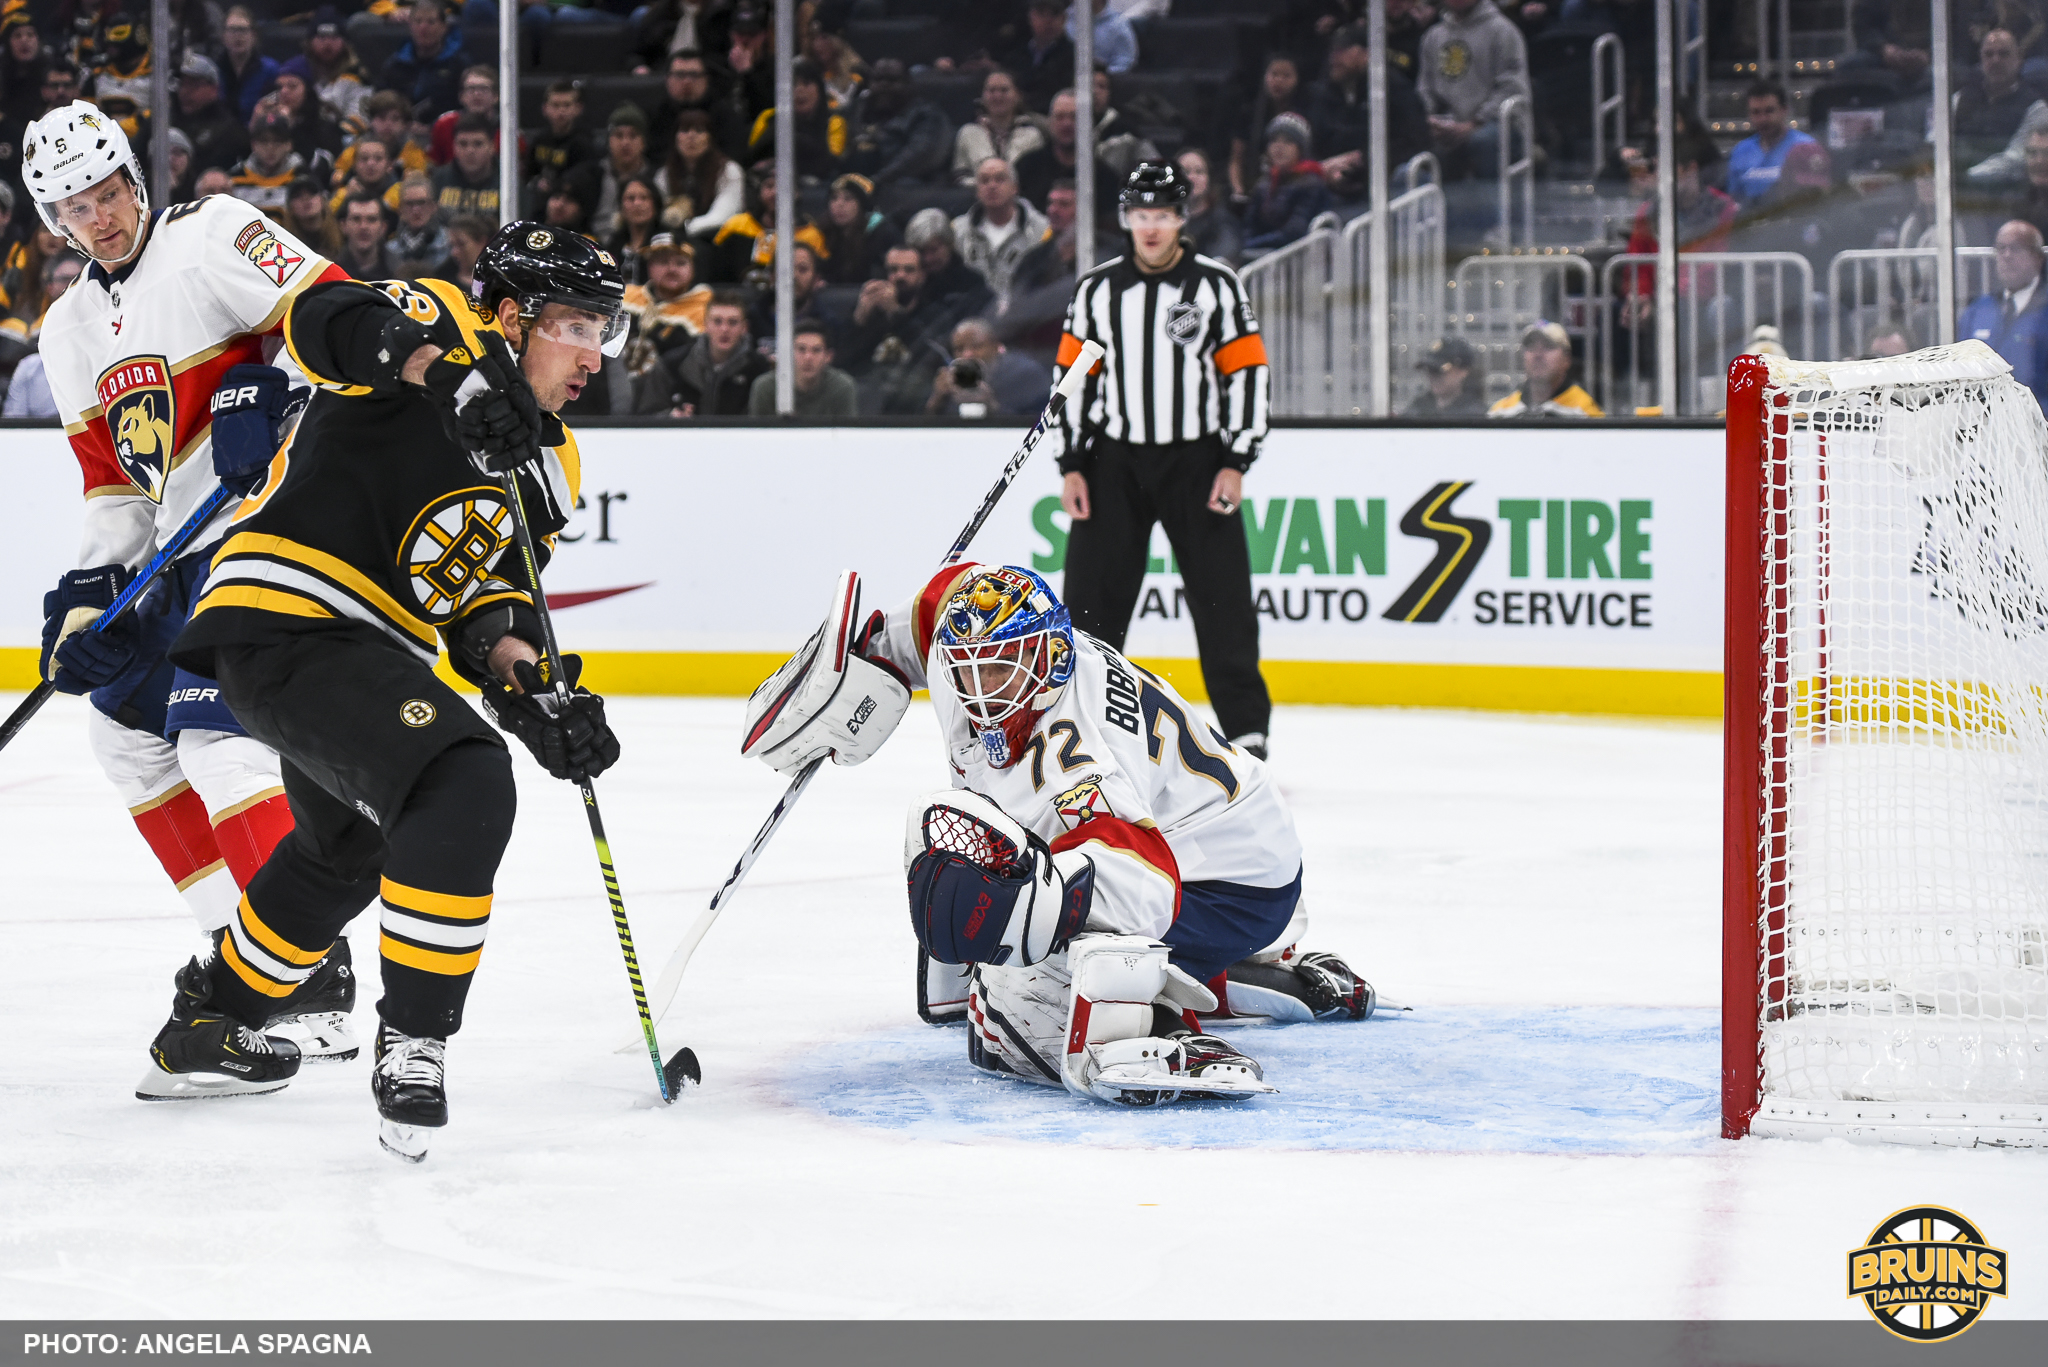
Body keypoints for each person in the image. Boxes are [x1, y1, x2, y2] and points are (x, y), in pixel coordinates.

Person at [156, 222, 622, 1158]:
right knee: (462, 779)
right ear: (510, 313)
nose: (593, 356)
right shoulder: (437, 317)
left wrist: (536, 694)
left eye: (606, 332)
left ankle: (211, 1017)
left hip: (360, 660)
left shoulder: (551, 467)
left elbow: (483, 610)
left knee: (349, 846)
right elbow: (321, 318)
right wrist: (445, 375)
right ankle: (413, 1042)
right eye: (577, 325)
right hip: (287, 614)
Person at [738, 563, 1374, 1105]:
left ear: (1049, 660)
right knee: (960, 979)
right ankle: (1200, 970)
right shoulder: (975, 627)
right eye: (963, 669)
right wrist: (861, 663)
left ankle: (1195, 1003)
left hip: (1231, 880)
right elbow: (939, 605)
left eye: (998, 671)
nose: (976, 691)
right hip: (1202, 827)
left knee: (1018, 1016)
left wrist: (1032, 906)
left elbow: (1144, 887)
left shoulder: (1068, 756)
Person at [24, 101, 358, 1086]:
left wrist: (272, 383)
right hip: (182, 555)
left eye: (110, 189)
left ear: (136, 177)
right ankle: (243, 951)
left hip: (280, 526)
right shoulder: (68, 328)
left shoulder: (210, 236)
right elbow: (115, 489)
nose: (102, 214)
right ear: (57, 225)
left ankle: (313, 969)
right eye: (77, 206)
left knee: (219, 737)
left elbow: (336, 308)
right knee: (122, 734)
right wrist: (86, 601)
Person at [1053, 163, 1274, 757]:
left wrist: (1236, 458)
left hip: (1197, 462)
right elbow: (1073, 380)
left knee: (1222, 597)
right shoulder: (1097, 291)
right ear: (1127, 219)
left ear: (1183, 218)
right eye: (1141, 215)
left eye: (1163, 215)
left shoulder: (1217, 287)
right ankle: (1083, 728)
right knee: (1090, 605)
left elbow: (1247, 374)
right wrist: (1071, 462)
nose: (1151, 228)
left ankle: (1248, 732)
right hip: (1113, 464)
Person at [1307, 22, 1430, 197]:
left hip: (1383, 181)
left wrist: (1360, 158)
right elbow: (1318, 140)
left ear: (1367, 53)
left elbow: (1415, 141)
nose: (1335, 57)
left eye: (1343, 50)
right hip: (1335, 183)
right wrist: (1325, 168)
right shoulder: (1326, 92)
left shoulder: (1393, 89)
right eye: (1333, 50)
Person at [1416, 0, 1529, 181]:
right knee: (1413, 142)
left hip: (1497, 124)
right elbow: (1425, 89)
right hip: (1449, 124)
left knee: (1482, 142)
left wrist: (1474, 124)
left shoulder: (1503, 31)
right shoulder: (1432, 36)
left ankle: (1494, 205)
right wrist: (1430, 119)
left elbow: (1511, 88)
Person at [1959, 218, 2048, 410]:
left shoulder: (2044, 311)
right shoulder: (1977, 311)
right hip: (1984, 427)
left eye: (2016, 248)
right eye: (2001, 248)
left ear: (2038, 258)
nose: (2007, 256)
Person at [1014, 88, 1123, 229]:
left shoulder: (1106, 178)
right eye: (1060, 117)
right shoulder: (1027, 168)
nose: (1066, 124)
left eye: (1074, 117)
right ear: (1049, 122)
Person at [953, 156, 1051, 311]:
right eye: (985, 181)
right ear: (977, 190)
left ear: (1015, 187)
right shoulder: (957, 231)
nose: (992, 186)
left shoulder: (1043, 231)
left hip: (1023, 316)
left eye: (1000, 179)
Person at [708, 162, 827, 285]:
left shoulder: (810, 235)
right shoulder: (738, 225)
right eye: (769, 186)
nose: (775, 192)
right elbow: (716, 274)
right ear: (759, 192)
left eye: (783, 186)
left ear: (797, 193)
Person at [842, 58, 951, 186]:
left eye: (892, 80)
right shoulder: (857, 110)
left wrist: (874, 182)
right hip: (857, 183)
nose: (884, 85)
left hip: (905, 183)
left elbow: (920, 157)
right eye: (878, 80)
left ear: (908, 84)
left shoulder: (927, 114)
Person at [665, 288, 769, 415]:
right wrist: (669, 418)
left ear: (744, 328)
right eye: (717, 321)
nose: (724, 329)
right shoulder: (674, 364)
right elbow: (648, 413)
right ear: (705, 325)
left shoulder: (760, 369)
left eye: (733, 322)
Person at [1726, 80, 1823, 212]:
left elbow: (1817, 199)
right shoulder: (1741, 151)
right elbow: (1734, 201)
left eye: (1769, 111)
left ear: (1784, 110)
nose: (1762, 119)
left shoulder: (1806, 148)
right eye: (1756, 112)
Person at [746, 57, 845, 184]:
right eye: (793, 84)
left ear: (819, 88)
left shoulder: (834, 122)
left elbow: (832, 166)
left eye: (806, 83)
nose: (799, 90)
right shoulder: (769, 117)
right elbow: (751, 157)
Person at [1244, 113, 1332, 255]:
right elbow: (1249, 226)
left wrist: (1251, 246)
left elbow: (1294, 232)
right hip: (1262, 257)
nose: (1279, 147)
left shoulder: (1311, 185)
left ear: (1300, 148)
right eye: (1274, 141)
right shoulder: (1262, 185)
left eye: (1288, 141)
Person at [566, 103, 653, 241]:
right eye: (619, 135)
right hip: (594, 245)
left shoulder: (654, 178)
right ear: (608, 140)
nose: (625, 143)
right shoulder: (590, 176)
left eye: (633, 135)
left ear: (644, 141)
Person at [932, 316, 1050, 416]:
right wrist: (937, 398)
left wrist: (992, 407)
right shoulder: (950, 377)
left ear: (995, 346)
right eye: (959, 349)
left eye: (976, 346)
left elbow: (1041, 423)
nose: (967, 355)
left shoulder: (1025, 374)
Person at [1231, 55, 1309, 203]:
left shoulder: (1306, 113)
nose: (1278, 80)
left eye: (1286, 76)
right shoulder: (1249, 113)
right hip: (1254, 185)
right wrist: (1238, 190)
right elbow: (1236, 159)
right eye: (1274, 74)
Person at [649, 49, 747, 164]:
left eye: (694, 75)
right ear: (668, 80)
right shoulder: (657, 115)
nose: (687, 81)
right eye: (680, 75)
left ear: (706, 80)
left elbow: (734, 154)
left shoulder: (725, 116)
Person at [655, 109, 742, 238]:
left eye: (699, 131)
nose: (691, 136)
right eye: (685, 130)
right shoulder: (664, 174)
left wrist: (687, 227)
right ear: (676, 138)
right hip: (673, 241)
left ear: (710, 138)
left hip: (716, 239)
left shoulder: (729, 170)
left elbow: (724, 214)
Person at [1488, 320, 1602, 417]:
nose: (1538, 355)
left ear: (1566, 360)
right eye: (1531, 347)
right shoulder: (1501, 411)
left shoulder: (1585, 412)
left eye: (1548, 346)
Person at [746, 316, 856, 415]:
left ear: (828, 356)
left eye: (816, 350)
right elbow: (759, 434)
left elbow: (846, 434)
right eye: (801, 349)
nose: (808, 357)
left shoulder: (842, 387)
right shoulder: (765, 388)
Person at [954, 67, 1047, 183]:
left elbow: (1036, 177)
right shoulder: (968, 133)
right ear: (982, 96)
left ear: (1018, 96)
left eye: (1004, 90)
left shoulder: (1032, 135)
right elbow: (960, 177)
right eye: (992, 90)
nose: (997, 96)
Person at [377, 0, 467, 122]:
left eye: (431, 22)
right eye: (418, 21)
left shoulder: (459, 65)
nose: (423, 28)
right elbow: (381, 104)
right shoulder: (394, 65)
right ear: (410, 26)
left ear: (443, 27)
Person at [622, 232, 710, 354]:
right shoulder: (626, 296)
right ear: (649, 267)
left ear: (693, 268)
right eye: (663, 262)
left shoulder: (706, 310)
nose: (672, 269)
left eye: (680, 263)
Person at [816, 171, 898, 284]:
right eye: (834, 198)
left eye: (848, 198)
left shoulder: (881, 234)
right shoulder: (823, 232)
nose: (839, 204)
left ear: (862, 205)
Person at [173, 51, 247, 174]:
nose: (185, 91)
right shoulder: (164, 118)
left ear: (214, 89)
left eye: (193, 85)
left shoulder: (228, 130)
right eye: (182, 84)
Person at [528, 80, 594, 217]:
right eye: (555, 105)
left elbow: (583, 179)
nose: (561, 111)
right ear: (545, 108)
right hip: (541, 207)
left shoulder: (584, 143)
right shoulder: (539, 141)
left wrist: (556, 186)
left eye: (567, 105)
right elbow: (528, 173)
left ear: (578, 108)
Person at [999, 0, 1076, 113]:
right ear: (1031, 17)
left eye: (1054, 13)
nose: (1048, 20)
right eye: (1041, 13)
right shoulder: (1016, 55)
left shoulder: (1074, 56)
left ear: (1064, 18)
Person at [228, 113, 310, 217]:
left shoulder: (303, 177)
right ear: (253, 145)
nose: (270, 148)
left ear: (289, 145)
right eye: (263, 141)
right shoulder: (235, 179)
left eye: (277, 141)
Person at [430, 112, 503, 227]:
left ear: (492, 147)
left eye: (478, 144)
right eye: (463, 144)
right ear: (454, 147)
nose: (470, 151)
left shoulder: (508, 183)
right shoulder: (438, 180)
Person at [1176, 148, 1241, 265]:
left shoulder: (1223, 222)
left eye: (1199, 172)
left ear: (1209, 179)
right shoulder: (1163, 222)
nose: (1191, 178)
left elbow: (1222, 261)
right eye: (1185, 172)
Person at [429, 65, 500, 167]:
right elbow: (434, 164)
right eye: (471, 89)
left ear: (496, 96)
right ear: (461, 96)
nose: (477, 94)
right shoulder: (444, 125)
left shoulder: (509, 130)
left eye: (483, 89)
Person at [216, 6, 277, 121]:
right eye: (232, 30)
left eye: (243, 30)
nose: (238, 36)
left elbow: (272, 113)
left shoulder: (270, 70)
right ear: (223, 36)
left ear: (253, 35)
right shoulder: (214, 69)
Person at [388, 171, 449, 277]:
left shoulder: (450, 245)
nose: (416, 210)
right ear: (400, 209)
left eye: (421, 203)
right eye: (409, 204)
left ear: (433, 206)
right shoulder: (389, 251)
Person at [1405, 336, 1485, 415]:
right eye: (1429, 370)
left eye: (1438, 371)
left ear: (1463, 372)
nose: (1433, 376)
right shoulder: (1417, 408)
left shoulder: (1476, 415)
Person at [607, 177, 662, 284]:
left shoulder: (665, 242)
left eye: (644, 198)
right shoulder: (613, 245)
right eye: (630, 198)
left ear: (656, 204)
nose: (637, 203)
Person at [329, 134, 401, 216]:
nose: (370, 164)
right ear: (354, 165)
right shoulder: (343, 194)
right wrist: (347, 199)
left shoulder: (401, 194)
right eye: (364, 158)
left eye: (378, 158)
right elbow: (329, 223)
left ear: (389, 165)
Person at [1068, 0, 1138, 74]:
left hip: (1105, 79)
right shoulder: (1066, 18)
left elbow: (1124, 61)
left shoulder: (1118, 25)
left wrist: (1105, 76)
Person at [425, 211, 489, 292]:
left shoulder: (494, 280)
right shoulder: (443, 282)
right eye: (452, 245)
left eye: (461, 244)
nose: (454, 252)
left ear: (481, 242)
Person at [335, 189, 392, 279]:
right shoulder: (331, 273)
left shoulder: (399, 273)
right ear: (343, 226)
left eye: (371, 219)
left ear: (383, 227)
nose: (363, 226)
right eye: (356, 219)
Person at [283, 175, 343, 259]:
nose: (306, 198)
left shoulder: (343, 234)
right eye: (297, 195)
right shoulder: (285, 244)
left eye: (312, 192)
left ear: (322, 199)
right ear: (290, 207)